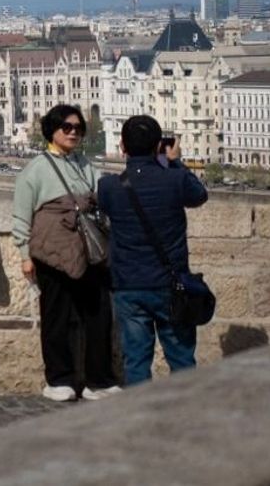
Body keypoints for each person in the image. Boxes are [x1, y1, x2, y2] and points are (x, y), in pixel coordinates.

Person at [12, 104, 119, 402]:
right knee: (57, 317)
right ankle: (60, 379)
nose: (74, 133)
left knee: (98, 315)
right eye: (67, 128)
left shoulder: (86, 165)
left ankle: (98, 380)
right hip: (53, 254)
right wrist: (25, 254)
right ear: (52, 131)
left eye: (78, 128)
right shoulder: (36, 169)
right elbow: (21, 216)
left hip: (88, 251)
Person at [97, 115, 208, 385]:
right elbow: (199, 195)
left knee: (136, 361)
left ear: (122, 146)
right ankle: (185, 417)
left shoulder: (109, 187)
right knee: (181, 360)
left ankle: (141, 418)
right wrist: (173, 161)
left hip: (129, 285)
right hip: (171, 285)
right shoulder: (173, 180)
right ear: (159, 144)